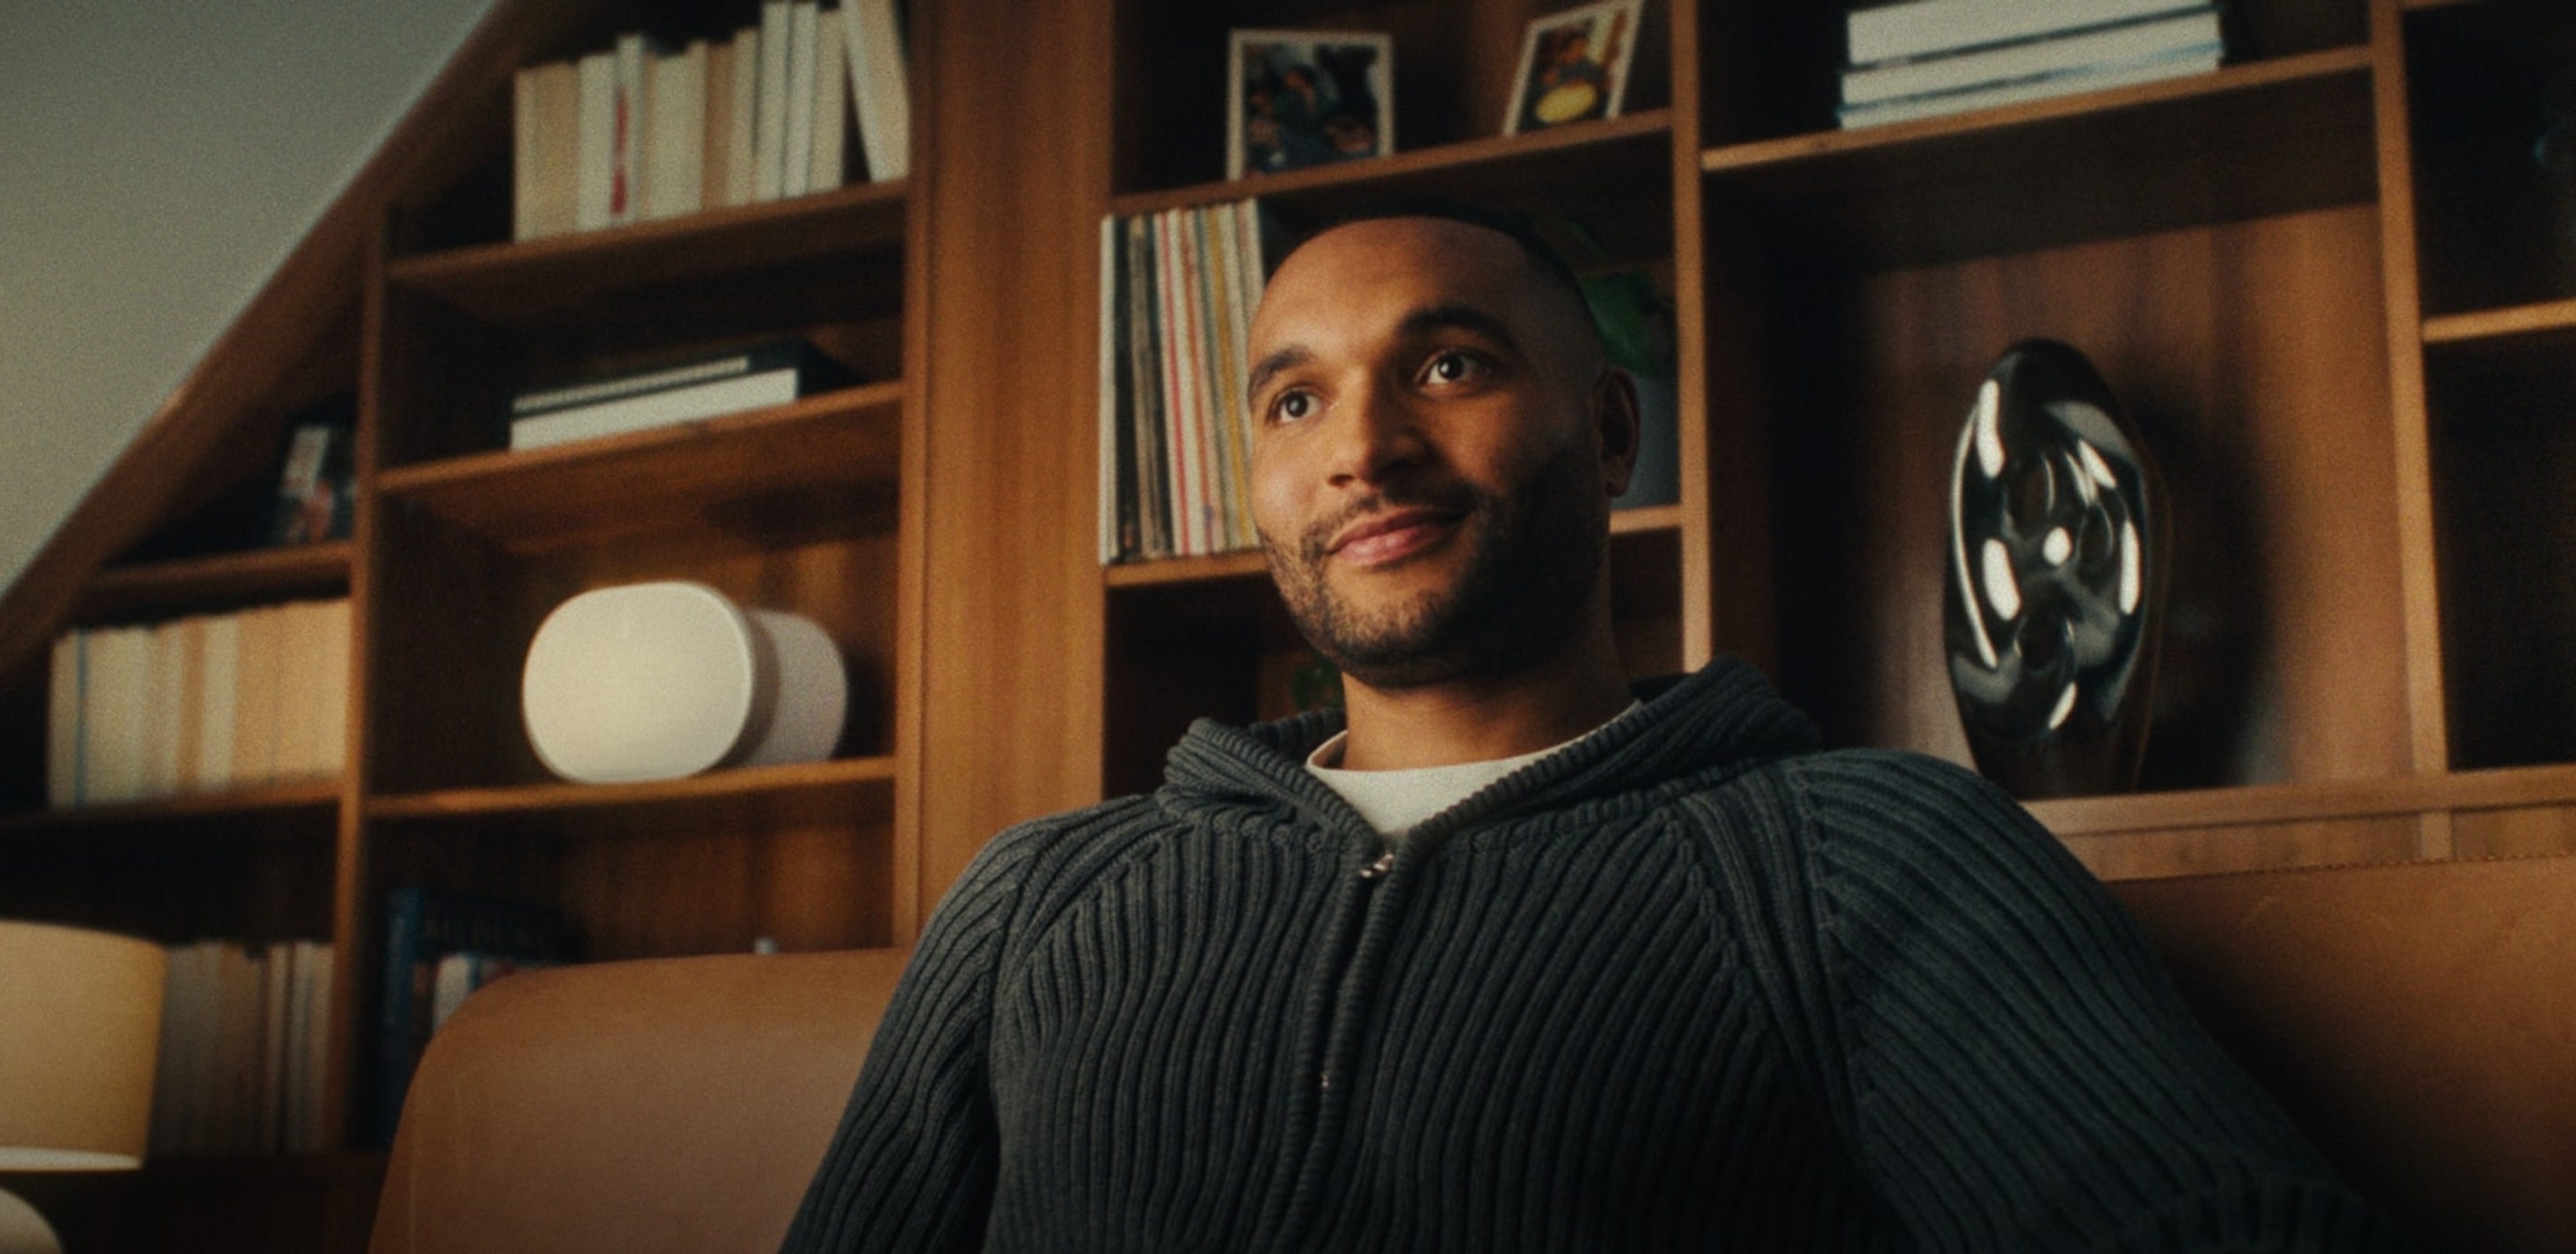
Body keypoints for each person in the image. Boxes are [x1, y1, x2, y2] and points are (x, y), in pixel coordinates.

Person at [780, 208, 2401, 1251]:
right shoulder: (1036, 897)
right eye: (1295, 400)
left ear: (1605, 431)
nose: (1364, 448)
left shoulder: (1867, 854)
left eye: (1450, 364)